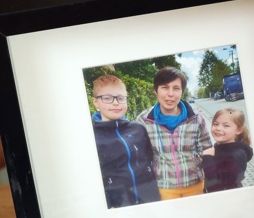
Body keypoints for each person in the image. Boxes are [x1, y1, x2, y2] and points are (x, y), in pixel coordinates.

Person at [136, 67, 212, 199]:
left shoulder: (196, 118)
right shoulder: (143, 120)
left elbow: (206, 149)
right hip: (163, 188)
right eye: (165, 87)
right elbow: (139, 156)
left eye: (176, 88)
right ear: (156, 91)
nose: (170, 94)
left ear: (182, 92)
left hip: (195, 185)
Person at [89, 75, 160, 208]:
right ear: (95, 102)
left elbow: (151, 160)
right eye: (107, 98)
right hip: (119, 205)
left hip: (151, 200)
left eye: (120, 98)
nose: (115, 103)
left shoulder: (138, 129)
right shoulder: (90, 137)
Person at [202, 108, 254, 193]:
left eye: (226, 125)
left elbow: (221, 183)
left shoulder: (237, 154)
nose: (218, 128)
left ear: (238, 130)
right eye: (215, 124)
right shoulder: (220, 147)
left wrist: (208, 158)